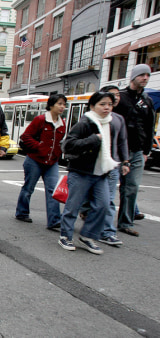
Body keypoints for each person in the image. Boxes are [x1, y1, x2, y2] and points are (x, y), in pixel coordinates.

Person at [58, 92, 120, 254]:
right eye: (102, 104)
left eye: (109, 104)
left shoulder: (111, 124)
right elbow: (68, 145)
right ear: (92, 106)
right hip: (81, 171)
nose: (107, 108)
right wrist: (94, 139)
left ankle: (88, 235)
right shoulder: (85, 123)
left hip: (102, 174)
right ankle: (65, 235)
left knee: (104, 205)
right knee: (73, 206)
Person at [79, 86, 130, 246]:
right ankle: (86, 221)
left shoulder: (118, 119)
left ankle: (106, 232)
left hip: (110, 167)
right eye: (105, 102)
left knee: (106, 201)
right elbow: (75, 142)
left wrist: (125, 161)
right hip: (89, 167)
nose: (110, 104)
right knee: (84, 201)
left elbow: (122, 141)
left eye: (113, 99)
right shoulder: (88, 120)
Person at [115, 64, 156, 237]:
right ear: (133, 77)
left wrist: (146, 151)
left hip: (137, 151)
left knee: (131, 187)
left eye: (148, 75)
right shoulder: (120, 98)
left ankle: (125, 222)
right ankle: (88, 210)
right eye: (142, 75)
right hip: (116, 150)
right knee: (103, 184)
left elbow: (149, 127)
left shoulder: (147, 101)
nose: (145, 78)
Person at [15, 94, 66, 229]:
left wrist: (58, 153)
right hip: (34, 160)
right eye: (59, 103)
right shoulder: (40, 120)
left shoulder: (62, 123)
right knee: (28, 188)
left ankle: (54, 221)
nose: (62, 107)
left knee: (53, 190)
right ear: (51, 105)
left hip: (52, 162)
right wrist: (39, 146)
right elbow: (25, 136)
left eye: (64, 104)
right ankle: (22, 212)